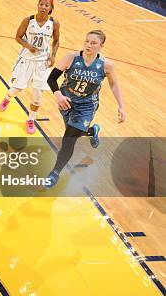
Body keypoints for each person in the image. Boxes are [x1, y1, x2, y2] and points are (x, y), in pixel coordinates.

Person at [44, 30, 126, 188]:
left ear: (101, 46)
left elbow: (114, 84)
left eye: (93, 43)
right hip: (66, 101)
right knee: (75, 131)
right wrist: (59, 95)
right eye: (87, 41)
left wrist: (121, 106)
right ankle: (91, 131)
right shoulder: (71, 58)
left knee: (68, 139)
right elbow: (51, 78)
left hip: (87, 105)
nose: (88, 45)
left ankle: (54, 173)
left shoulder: (106, 65)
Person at [0, 0, 60, 134]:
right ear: (37, 5)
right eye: (41, 4)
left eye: (46, 5)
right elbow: (18, 37)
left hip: (42, 63)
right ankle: (7, 99)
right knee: (15, 90)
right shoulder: (28, 20)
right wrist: (28, 46)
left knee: (38, 95)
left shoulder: (54, 23)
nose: (43, 7)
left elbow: (56, 41)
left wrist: (53, 55)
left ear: (51, 8)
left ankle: (31, 120)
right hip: (26, 60)